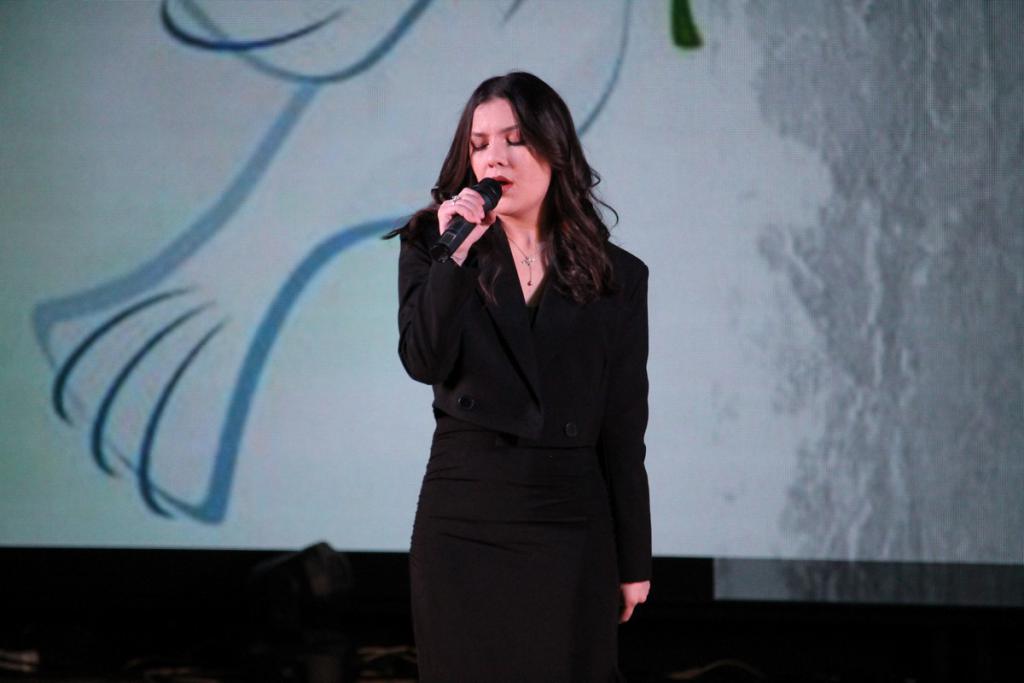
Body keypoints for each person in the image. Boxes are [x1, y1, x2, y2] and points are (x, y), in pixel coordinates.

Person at [387, 71, 651, 682]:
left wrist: (634, 556)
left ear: (554, 149)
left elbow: (623, 424)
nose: (495, 157)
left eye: (515, 139)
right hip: (465, 517)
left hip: (569, 518)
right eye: (480, 144)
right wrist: (455, 256)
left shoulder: (617, 276)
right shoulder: (434, 244)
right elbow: (422, 360)